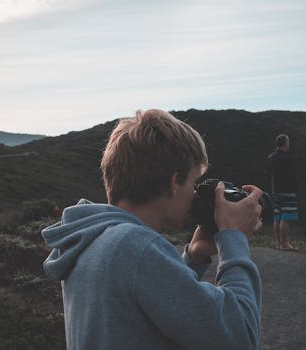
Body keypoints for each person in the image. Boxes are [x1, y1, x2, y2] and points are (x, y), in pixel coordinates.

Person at [42, 109, 263, 349]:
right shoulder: (135, 246)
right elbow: (239, 335)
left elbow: (141, 305)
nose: (194, 193)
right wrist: (235, 238)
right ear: (173, 182)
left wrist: (193, 257)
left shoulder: (93, 241)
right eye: (193, 182)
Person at [265, 134, 299, 250]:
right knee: (286, 217)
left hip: (275, 190)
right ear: (285, 143)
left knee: (277, 217)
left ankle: (278, 243)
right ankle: (285, 244)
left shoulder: (271, 157)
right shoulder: (289, 158)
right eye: (288, 142)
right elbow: (294, 174)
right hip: (287, 190)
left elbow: (269, 170)